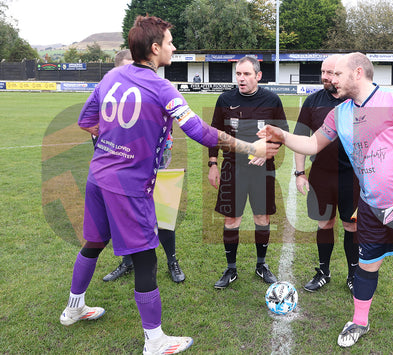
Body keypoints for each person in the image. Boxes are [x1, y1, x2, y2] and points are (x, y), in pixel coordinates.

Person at [60, 15, 275, 355]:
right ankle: (155, 341)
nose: (174, 47)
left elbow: (87, 121)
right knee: (146, 260)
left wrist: (117, 141)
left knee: (94, 242)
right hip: (129, 187)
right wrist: (252, 147)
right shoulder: (161, 87)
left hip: (97, 177)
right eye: (171, 42)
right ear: (155, 48)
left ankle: (74, 307)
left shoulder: (113, 74)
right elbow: (200, 132)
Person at [260, 52, 393, 347]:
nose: (331, 80)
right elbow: (312, 143)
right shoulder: (338, 112)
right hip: (369, 206)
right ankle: (359, 321)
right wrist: (281, 134)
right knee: (367, 265)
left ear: (357, 72)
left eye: (337, 75)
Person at [97, 49, 185, 284]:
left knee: (162, 211)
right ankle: (127, 262)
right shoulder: (111, 91)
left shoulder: (157, 87)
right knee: (121, 215)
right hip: (117, 168)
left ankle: (172, 261)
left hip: (154, 164)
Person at [208, 56, 289, 289]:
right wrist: (212, 164)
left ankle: (261, 265)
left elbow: (282, 133)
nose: (241, 79)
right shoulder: (225, 99)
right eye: (238, 74)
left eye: (246, 74)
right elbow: (215, 133)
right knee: (232, 219)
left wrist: (268, 152)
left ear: (258, 76)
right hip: (232, 168)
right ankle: (231, 269)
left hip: (262, 169)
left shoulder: (271, 100)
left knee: (262, 218)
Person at [293, 54, 359, 293]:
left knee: (352, 226)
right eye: (323, 71)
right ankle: (323, 271)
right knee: (324, 224)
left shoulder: (355, 100)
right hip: (321, 174)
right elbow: (300, 138)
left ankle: (354, 275)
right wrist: (300, 172)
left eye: (331, 72)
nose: (325, 77)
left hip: (352, 176)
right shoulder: (313, 101)